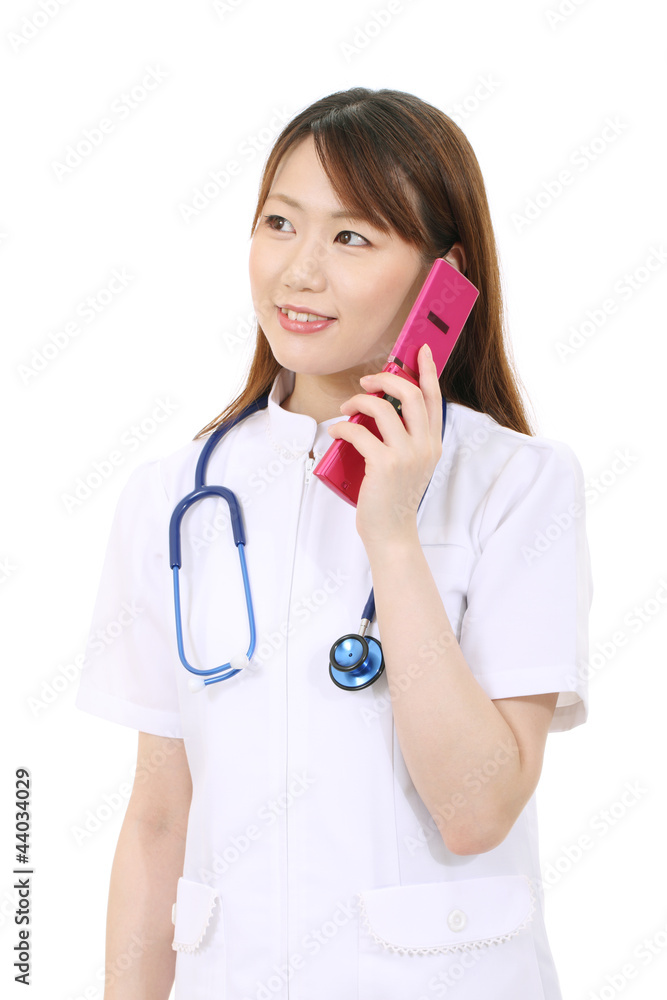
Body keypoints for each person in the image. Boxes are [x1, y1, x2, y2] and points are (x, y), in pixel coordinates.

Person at [75, 86, 592, 1000]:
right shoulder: (173, 496)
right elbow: (158, 819)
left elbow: (476, 809)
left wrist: (390, 533)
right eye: (279, 223)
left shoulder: (516, 485)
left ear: (444, 278)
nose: (299, 271)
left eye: (351, 236)